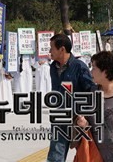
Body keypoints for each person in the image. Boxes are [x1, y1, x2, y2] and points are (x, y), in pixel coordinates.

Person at [47, 33, 95, 162]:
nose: (49, 51)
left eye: (52, 48)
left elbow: (91, 92)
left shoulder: (79, 67)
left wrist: (84, 116)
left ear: (62, 49)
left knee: (83, 155)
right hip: (60, 118)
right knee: (55, 155)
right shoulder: (52, 67)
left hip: (78, 120)